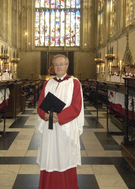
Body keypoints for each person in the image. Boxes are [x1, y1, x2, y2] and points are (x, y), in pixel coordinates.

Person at [37, 54, 84, 189]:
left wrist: (59, 117)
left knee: (64, 156)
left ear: (67, 66)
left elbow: (76, 106)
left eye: (61, 64)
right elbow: (40, 105)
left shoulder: (74, 83)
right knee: (49, 154)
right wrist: (45, 115)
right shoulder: (48, 83)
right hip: (49, 127)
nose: (58, 67)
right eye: (56, 65)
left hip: (66, 127)